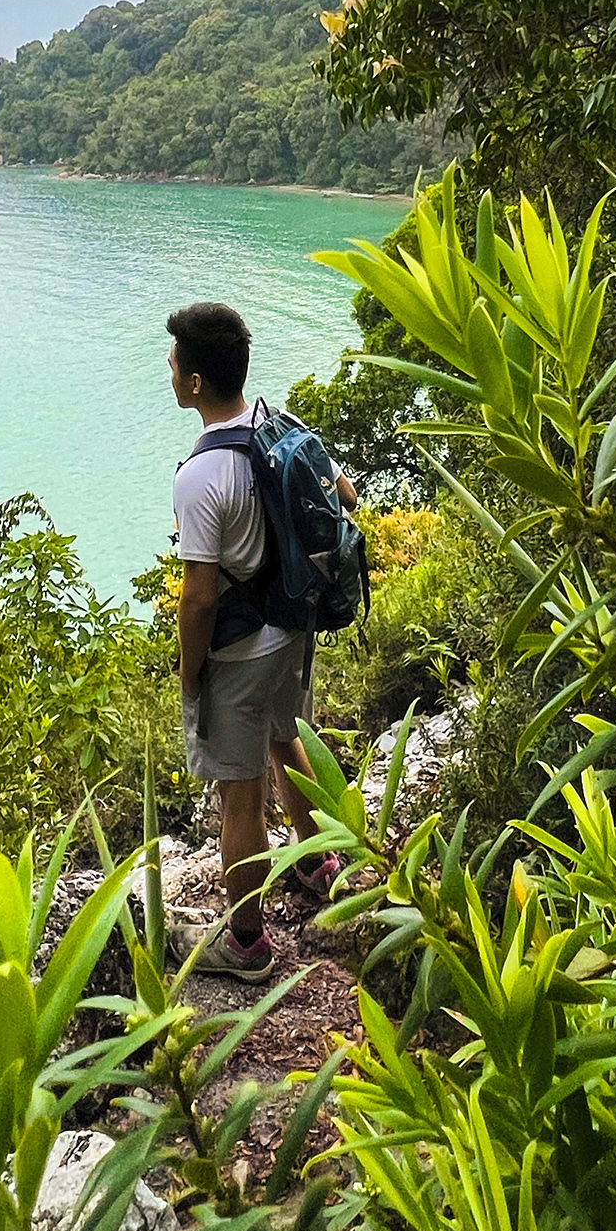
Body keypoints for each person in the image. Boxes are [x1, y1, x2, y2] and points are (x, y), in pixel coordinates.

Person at [166, 299, 356, 980]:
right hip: (294, 625)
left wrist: (192, 675)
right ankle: (316, 860)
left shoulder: (201, 476)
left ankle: (246, 944)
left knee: (239, 795)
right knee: (288, 734)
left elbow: (200, 596)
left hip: (241, 649)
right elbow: (349, 497)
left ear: (192, 383)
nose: (170, 369)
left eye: (173, 361)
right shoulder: (282, 423)